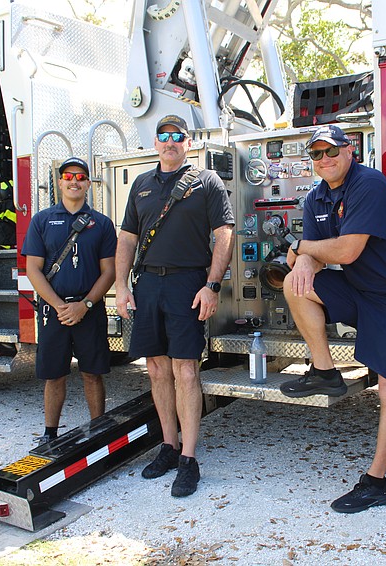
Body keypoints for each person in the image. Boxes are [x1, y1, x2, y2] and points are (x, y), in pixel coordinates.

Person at [279, 124, 386, 513]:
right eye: (317, 154)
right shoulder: (316, 198)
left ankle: (376, 483)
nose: (325, 159)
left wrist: (302, 249)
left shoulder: (368, 185)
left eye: (331, 151)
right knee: (293, 284)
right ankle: (324, 371)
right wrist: (304, 257)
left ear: (349, 150)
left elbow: (347, 251)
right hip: (365, 293)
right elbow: (304, 256)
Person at [115, 114, 234, 497]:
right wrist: (121, 286)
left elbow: (225, 233)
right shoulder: (141, 184)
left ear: (187, 142)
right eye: (163, 135)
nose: (170, 141)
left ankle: (188, 458)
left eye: (177, 136)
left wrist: (212, 285)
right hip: (148, 283)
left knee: (185, 370)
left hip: (188, 284)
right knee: (155, 368)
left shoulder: (206, 181)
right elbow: (127, 239)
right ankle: (168, 445)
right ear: (155, 143)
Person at [22, 156, 117, 444]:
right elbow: (33, 269)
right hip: (55, 311)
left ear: (88, 184)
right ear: (59, 182)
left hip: (89, 310)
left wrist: (84, 305)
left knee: (92, 373)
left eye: (80, 177)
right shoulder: (41, 220)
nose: (74, 181)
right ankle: (50, 434)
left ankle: (98, 429)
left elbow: (109, 271)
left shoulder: (102, 224)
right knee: (54, 375)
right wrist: (58, 306)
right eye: (68, 176)